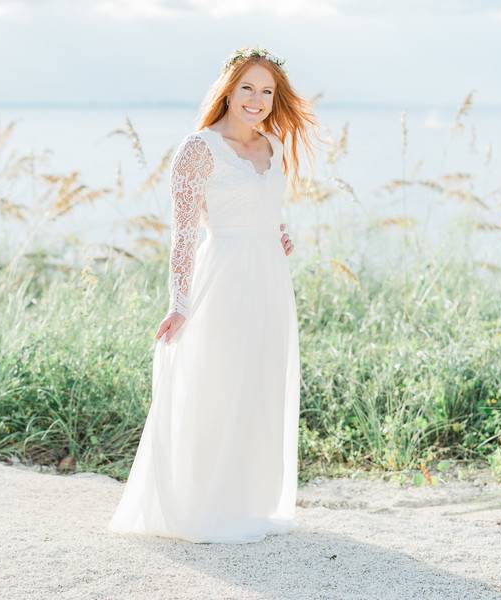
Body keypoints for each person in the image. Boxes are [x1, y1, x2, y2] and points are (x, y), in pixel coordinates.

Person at [108, 46, 320, 544]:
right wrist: (179, 304)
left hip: (270, 281)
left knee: (260, 385)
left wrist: (279, 232)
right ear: (228, 88)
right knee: (218, 384)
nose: (258, 99)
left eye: (267, 91)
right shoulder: (197, 149)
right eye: (248, 87)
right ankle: (204, 507)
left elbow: (267, 208)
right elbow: (183, 234)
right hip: (222, 280)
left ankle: (248, 503)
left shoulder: (274, 145)